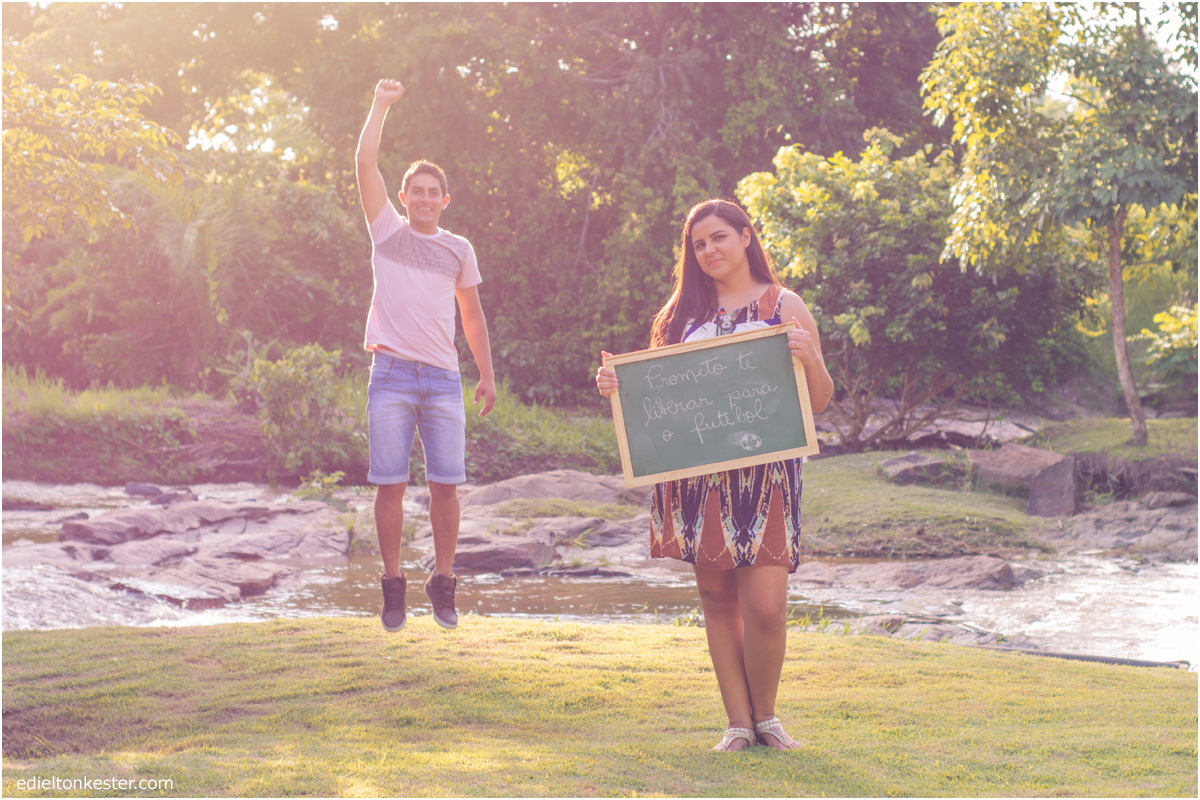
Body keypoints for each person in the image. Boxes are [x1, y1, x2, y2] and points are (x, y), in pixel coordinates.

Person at [595, 199, 833, 752]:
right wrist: (616, 387)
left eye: (720, 237)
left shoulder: (784, 304)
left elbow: (819, 401)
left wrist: (810, 358)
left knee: (768, 606)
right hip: (698, 477)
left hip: (769, 476)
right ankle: (738, 724)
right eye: (699, 244)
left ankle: (768, 717)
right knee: (716, 596)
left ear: (747, 237)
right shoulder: (679, 317)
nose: (710, 251)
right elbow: (657, 398)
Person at [356, 78, 497, 633]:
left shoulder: (458, 249)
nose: (422, 197)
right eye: (414, 189)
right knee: (390, 483)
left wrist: (486, 375)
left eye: (431, 191)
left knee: (446, 485)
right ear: (404, 197)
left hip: (443, 380)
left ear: (444, 200)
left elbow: (473, 315)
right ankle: (394, 587)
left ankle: (443, 583)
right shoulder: (385, 231)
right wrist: (381, 104)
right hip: (389, 375)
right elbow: (365, 161)